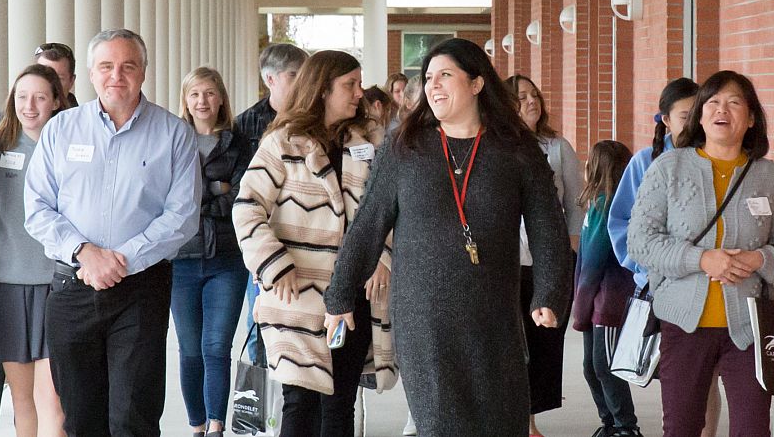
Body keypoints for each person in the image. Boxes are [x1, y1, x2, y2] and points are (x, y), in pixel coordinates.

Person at [324, 38, 573, 436]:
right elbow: (368, 224)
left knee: (503, 422)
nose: (433, 85)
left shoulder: (515, 148)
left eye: (445, 75)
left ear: (476, 83)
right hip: (424, 317)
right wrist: (340, 294)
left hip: (494, 316)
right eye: (428, 78)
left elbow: (548, 225)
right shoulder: (405, 147)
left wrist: (550, 292)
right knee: (441, 424)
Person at [24, 29, 201, 436]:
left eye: (127, 66)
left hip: (140, 289)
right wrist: (85, 253)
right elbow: (36, 208)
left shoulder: (174, 133)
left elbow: (183, 215)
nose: (116, 76)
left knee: (132, 417)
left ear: (144, 72)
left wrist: (120, 262)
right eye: (106, 66)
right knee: (80, 418)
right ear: (90, 73)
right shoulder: (61, 129)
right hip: (72, 287)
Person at [628, 70, 774, 437]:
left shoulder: (769, 176)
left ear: (751, 118)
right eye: (712, 102)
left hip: (751, 327)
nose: (721, 110)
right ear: (699, 115)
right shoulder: (669, 168)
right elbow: (640, 241)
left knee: (752, 429)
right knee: (681, 428)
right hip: (683, 324)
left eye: (733, 102)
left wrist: (760, 260)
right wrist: (701, 259)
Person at [232, 50, 397, 437]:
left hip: (353, 295)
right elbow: (247, 208)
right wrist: (274, 265)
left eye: (359, 83)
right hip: (297, 297)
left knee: (339, 404)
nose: (360, 93)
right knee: (300, 404)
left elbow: (391, 206)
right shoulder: (282, 142)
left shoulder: (369, 142)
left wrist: (383, 256)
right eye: (350, 84)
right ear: (322, 89)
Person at [606, 78, 725, 435]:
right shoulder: (645, 162)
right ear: (665, 120)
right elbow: (620, 223)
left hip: (709, 284)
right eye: (685, 116)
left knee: (707, 377)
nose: (694, 123)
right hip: (663, 289)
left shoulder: (717, 158)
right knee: (677, 379)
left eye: (698, 113)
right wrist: (648, 268)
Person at [0, 64, 69, 437]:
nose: (29, 106)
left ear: (56, 101)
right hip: (5, 285)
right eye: (22, 97)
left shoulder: (70, 149)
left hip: (55, 283)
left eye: (40, 97)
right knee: (22, 398)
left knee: (53, 401)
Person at [171, 67, 252, 437]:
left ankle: (217, 426)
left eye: (208, 93)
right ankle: (198, 426)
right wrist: (216, 188)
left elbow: (243, 197)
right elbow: (168, 197)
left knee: (216, 347)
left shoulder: (239, 144)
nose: (202, 101)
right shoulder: (173, 140)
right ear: (186, 101)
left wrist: (197, 197)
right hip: (181, 259)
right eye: (194, 94)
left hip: (227, 258)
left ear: (221, 98)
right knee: (190, 350)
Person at [507, 73, 584, 437]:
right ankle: (517, 421)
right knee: (510, 343)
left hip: (547, 264)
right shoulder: (496, 146)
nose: (531, 102)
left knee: (543, 343)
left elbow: (576, 205)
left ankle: (530, 421)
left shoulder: (557, 147)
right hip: (506, 264)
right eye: (521, 97)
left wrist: (568, 250)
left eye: (534, 95)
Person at [232, 42, 309, 363]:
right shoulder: (246, 124)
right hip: (262, 237)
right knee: (260, 321)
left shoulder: (313, 121)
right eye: (293, 75)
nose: (301, 82)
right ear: (270, 79)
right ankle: (263, 387)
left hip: (305, 234)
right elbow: (240, 190)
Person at [571, 140, 640, 437]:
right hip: (594, 301)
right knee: (591, 366)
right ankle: (609, 422)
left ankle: (626, 426)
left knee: (605, 365)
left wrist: (580, 305)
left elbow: (594, 260)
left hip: (609, 302)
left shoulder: (608, 206)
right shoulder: (597, 204)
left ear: (597, 168)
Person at [35, 42, 80, 108]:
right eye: (43, 76)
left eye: (58, 78)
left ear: (71, 82)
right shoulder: (21, 109)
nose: (49, 84)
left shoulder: (80, 114)